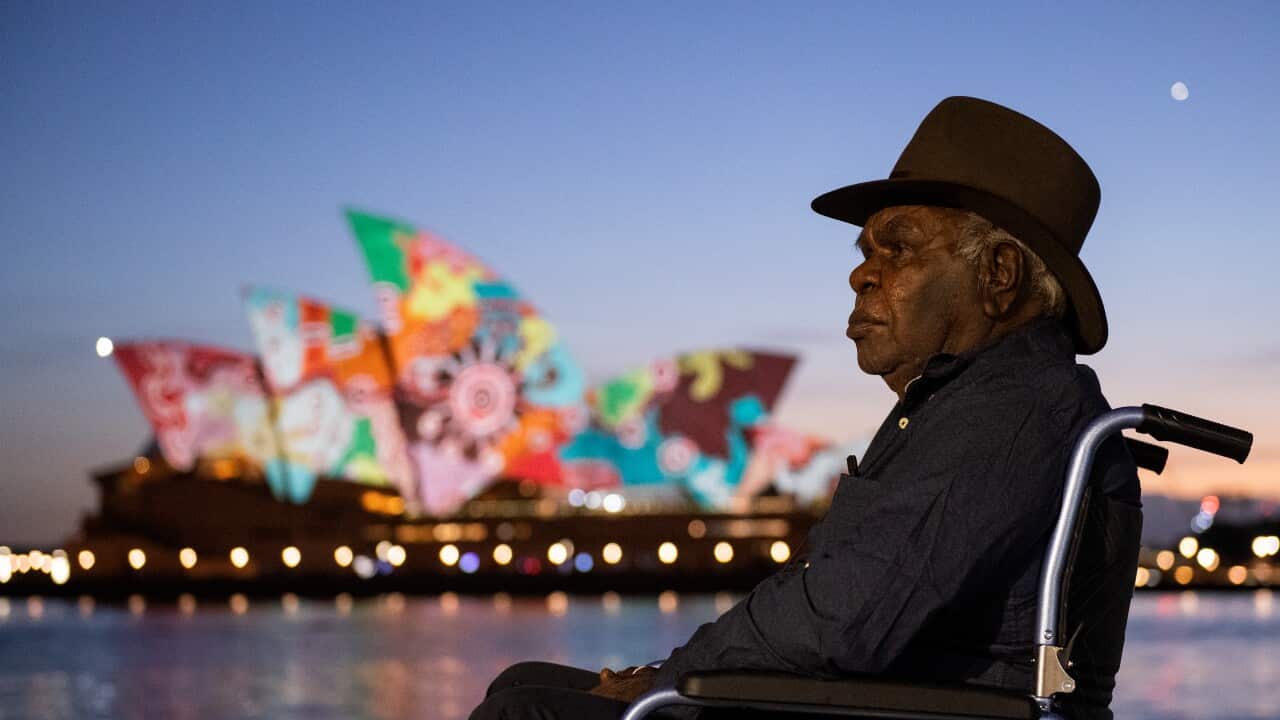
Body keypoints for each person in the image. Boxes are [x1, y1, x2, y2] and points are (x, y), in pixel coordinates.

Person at [470, 97, 1142, 720]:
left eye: (899, 247)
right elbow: (836, 601)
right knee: (523, 685)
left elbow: (845, 621)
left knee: (525, 711)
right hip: (874, 701)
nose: (862, 272)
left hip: (909, 710)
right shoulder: (972, 402)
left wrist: (665, 679)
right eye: (866, 250)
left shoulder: (1013, 411)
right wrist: (670, 673)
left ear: (998, 276)